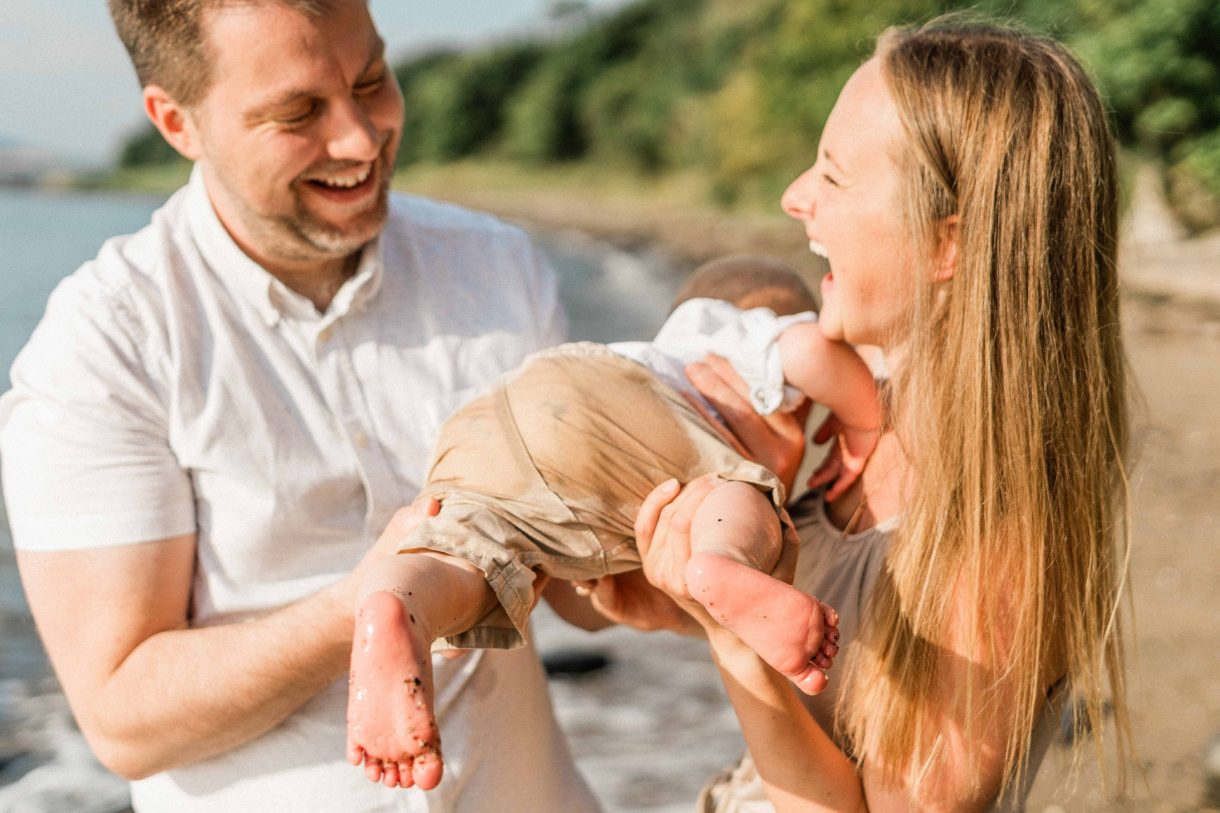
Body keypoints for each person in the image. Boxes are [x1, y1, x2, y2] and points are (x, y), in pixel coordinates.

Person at [0, 1, 602, 810]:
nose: (360, 138)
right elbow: (123, 718)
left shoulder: (500, 268)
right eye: (298, 113)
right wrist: (378, 601)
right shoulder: (102, 346)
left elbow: (582, 594)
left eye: (372, 80)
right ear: (177, 122)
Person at [592, 18, 1134, 812]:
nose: (794, 197)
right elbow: (837, 670)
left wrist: (733, 643)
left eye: (834, 177)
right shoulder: (844, 418)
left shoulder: (999, 538)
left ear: (948, 245)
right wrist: (683, 600)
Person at [345, 255, 877, 789]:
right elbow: (808, 349)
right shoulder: (740, 340)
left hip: (499, 414)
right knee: (735, 492)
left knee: (463, 556)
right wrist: (864, 419)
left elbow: (588, 603)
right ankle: (723, 561)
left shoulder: (661, 346)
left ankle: (400, 606)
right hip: (619, 411)